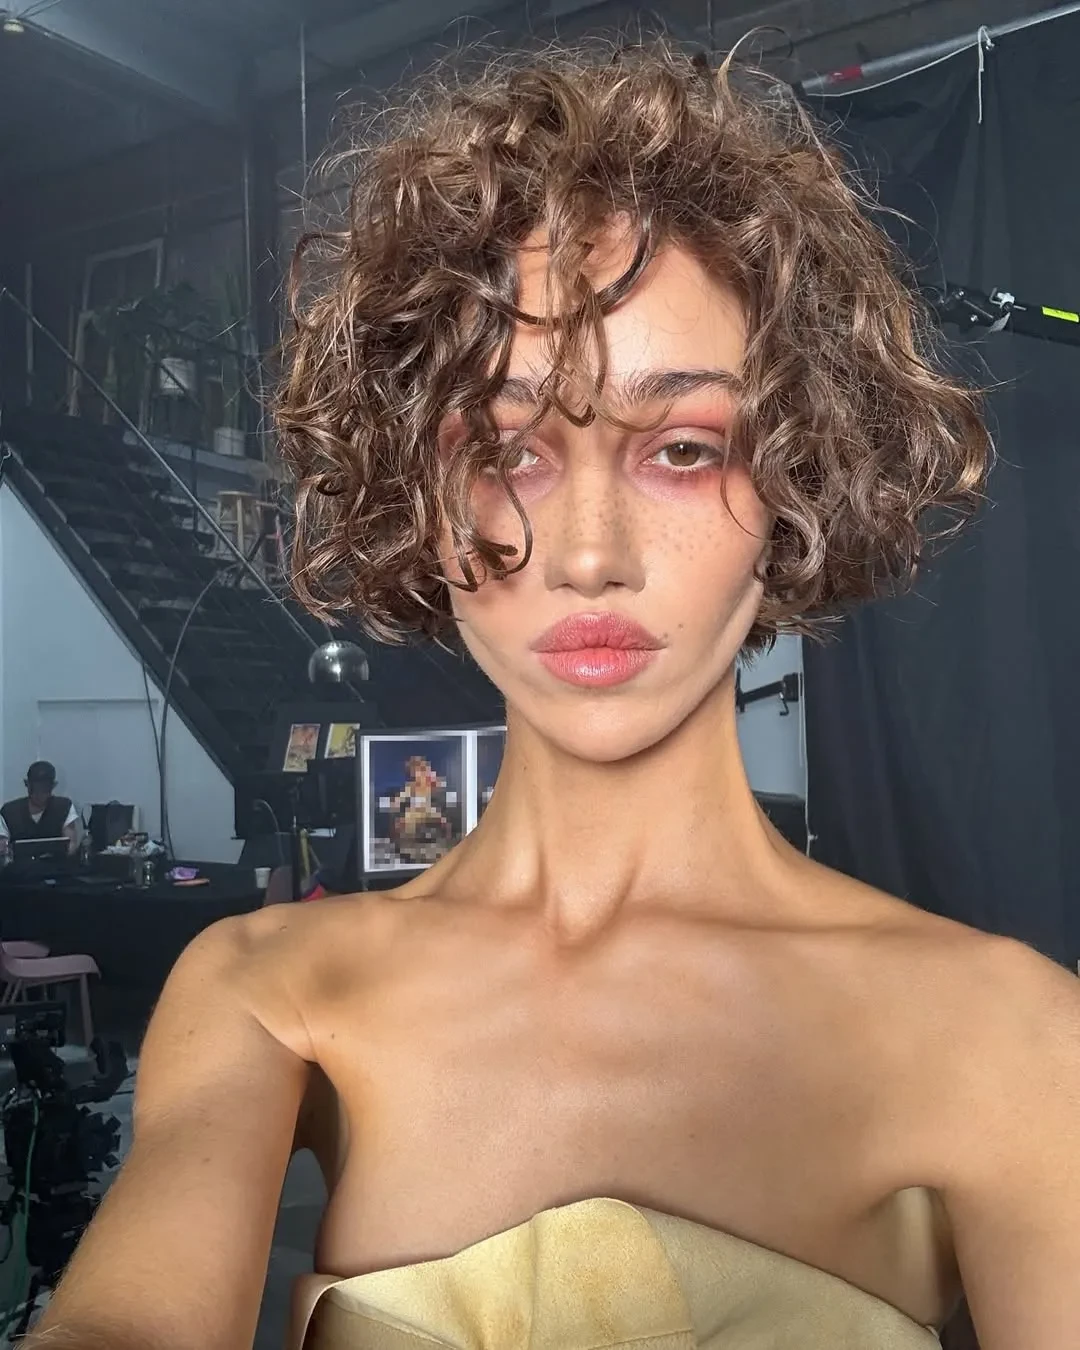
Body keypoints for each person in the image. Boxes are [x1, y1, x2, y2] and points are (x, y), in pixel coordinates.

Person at [27, 42, 1080, 1350]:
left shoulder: (1005, 1035)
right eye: (507, 449)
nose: (589, 555)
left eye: (683, 448)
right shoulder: (265, 993)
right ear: (419, 494)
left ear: (796, 481)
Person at [0, 760, 79, 857]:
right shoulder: (9, 812)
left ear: (53, 786)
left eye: (44, 790)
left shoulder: (63, 807)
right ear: (27, 784)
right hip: (20, 865)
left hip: (56, 864)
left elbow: (71, 844)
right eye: (35, 790)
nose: (39, 795)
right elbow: (2, 846)